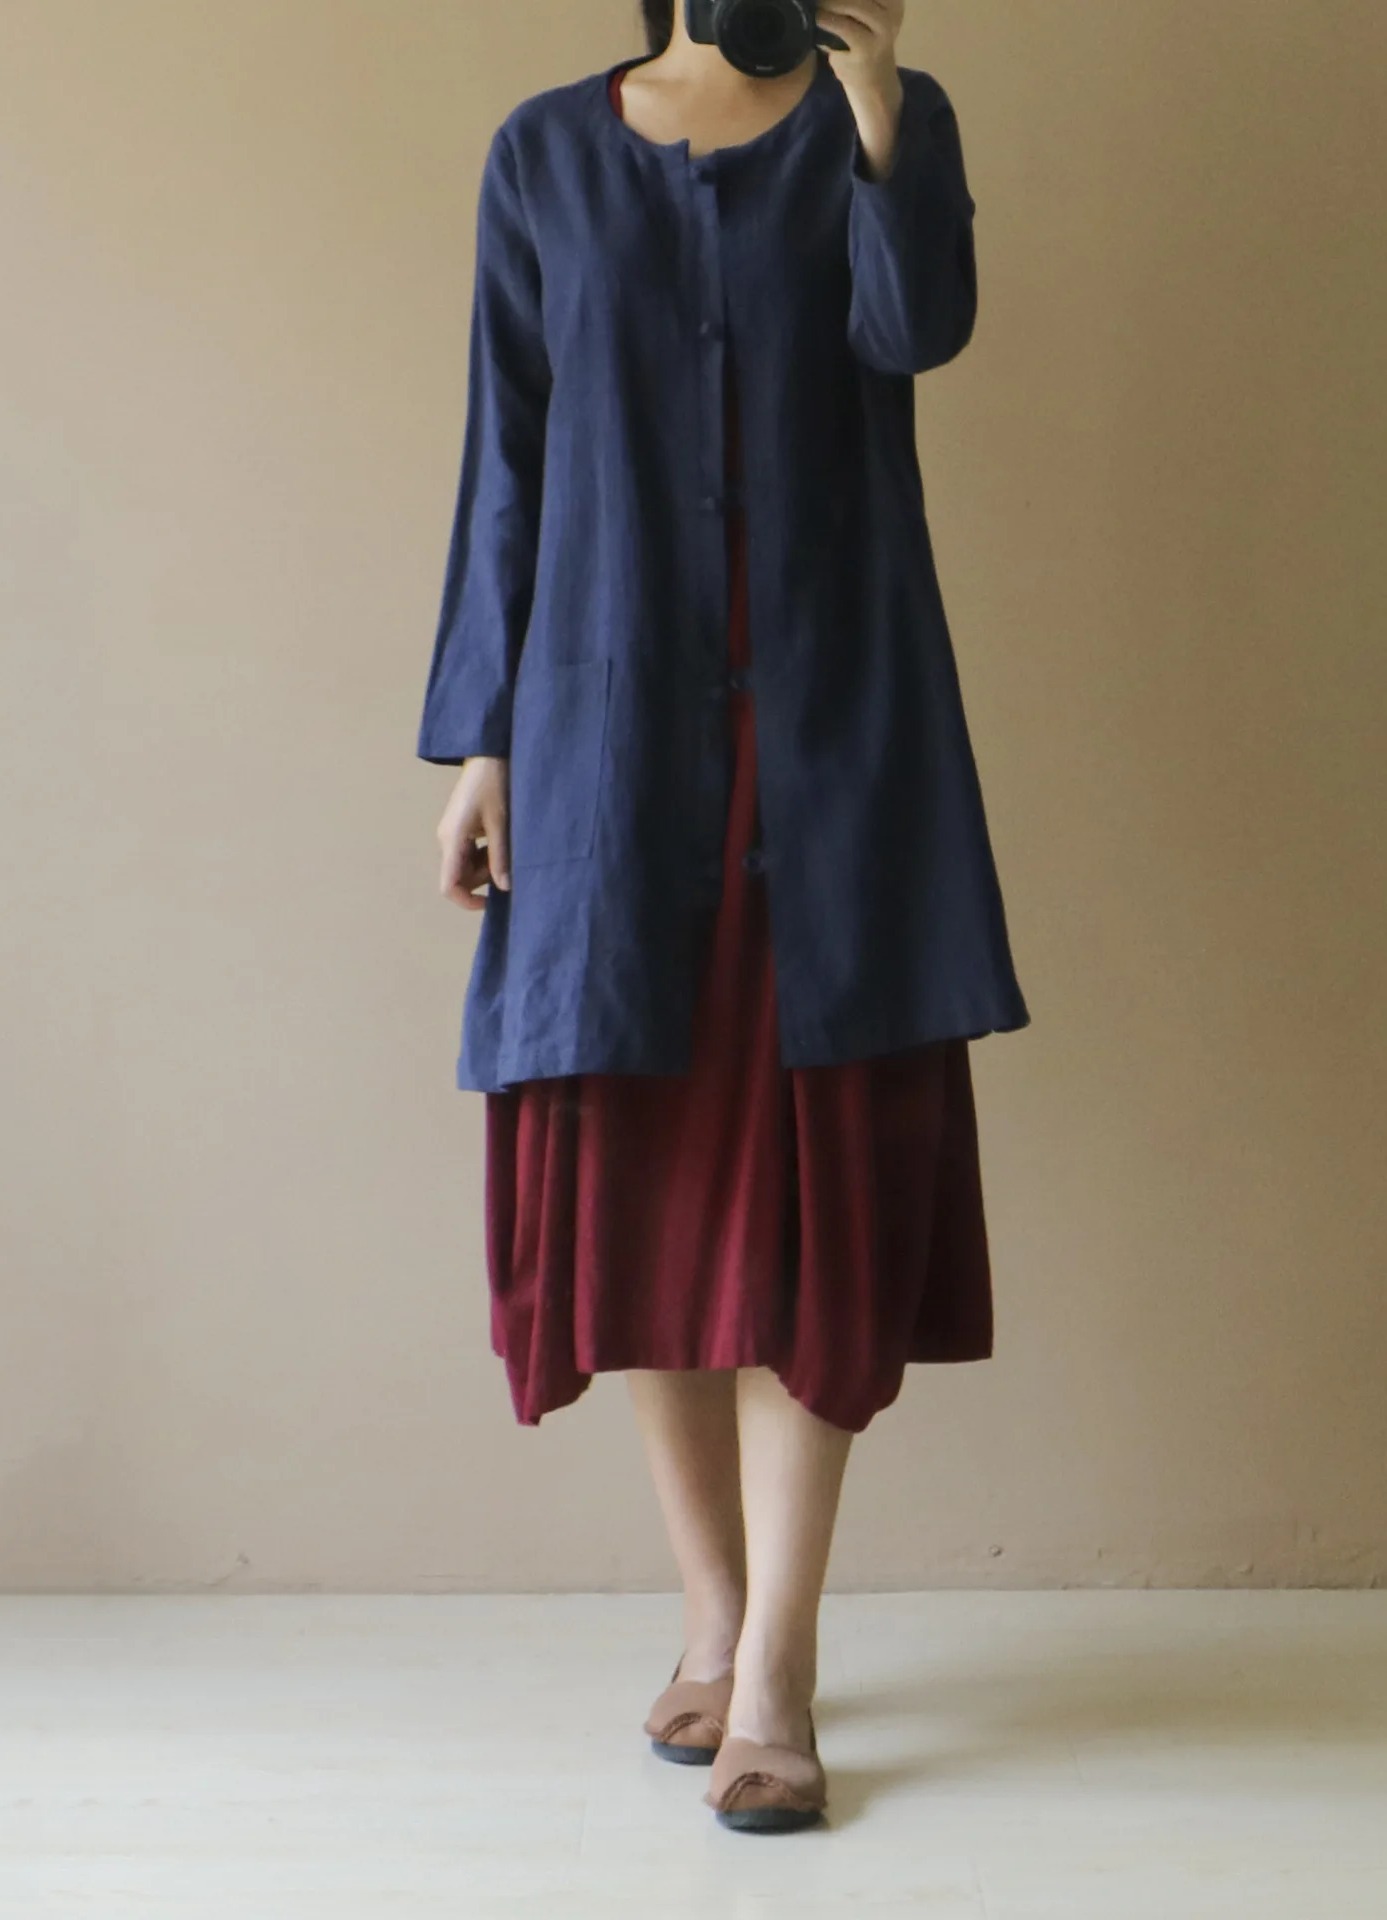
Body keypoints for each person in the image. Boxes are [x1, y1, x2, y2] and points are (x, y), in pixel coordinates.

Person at [415, 0, 1028, 1831]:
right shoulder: (544, 153)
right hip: (609, 736)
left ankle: (778, 1666)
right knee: (648, 1181)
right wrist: (482, 746)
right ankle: (708, 1609)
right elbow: (507, 457)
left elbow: (919, 328)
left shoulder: (880, 124)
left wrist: (880, 98)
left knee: (818, 1188)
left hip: (832, 725)